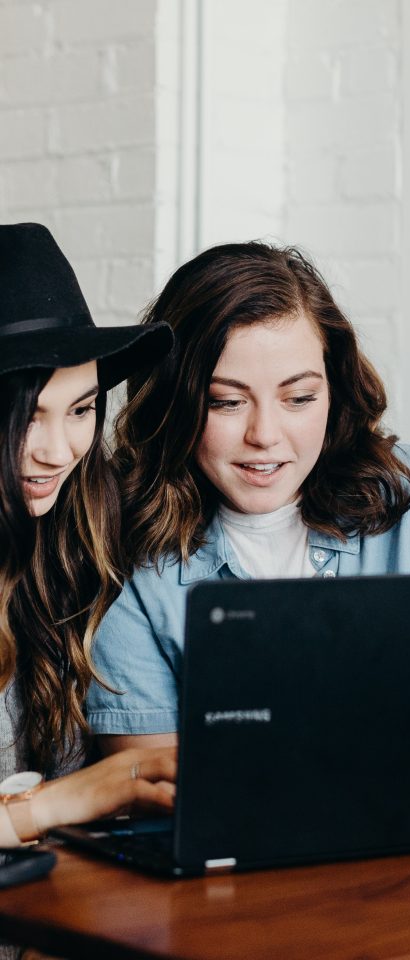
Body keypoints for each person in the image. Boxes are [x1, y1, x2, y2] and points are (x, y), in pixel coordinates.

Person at [86, 241, 410, 778]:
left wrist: (302, 752)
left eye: (299, 398)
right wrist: (398, 733)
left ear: (334, 388)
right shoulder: (122, 538)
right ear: (175, 403)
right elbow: (146, 777)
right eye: (226, 402)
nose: (265, 435)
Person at [0, 222, 176, 850]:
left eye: (81, 410)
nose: (57, 451)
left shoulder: (68, 551)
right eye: (26, 416)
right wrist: (79, 794)